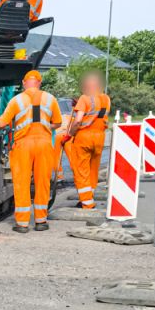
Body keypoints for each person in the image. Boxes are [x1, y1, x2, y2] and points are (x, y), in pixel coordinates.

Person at [0, 69, 62, 233]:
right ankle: (41, 221)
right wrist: (44, 126)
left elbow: (2, 123)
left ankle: (22, 223)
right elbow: (58, 123)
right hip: (44, 144)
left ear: (24, 83)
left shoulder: (17, 100)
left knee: (21, 183)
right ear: (39, 83)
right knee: (43, 183)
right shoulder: (50, 99)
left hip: (23, 145)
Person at [60, 72, 111, 210]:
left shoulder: (84, 98)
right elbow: (97, 114)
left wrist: (69, 135)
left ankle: (87, 203)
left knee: (81, 170)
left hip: (84, 137)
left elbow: (77, 121)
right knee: (93, 170)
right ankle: (88, 197)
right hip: (100, 137)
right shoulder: (106, 99)